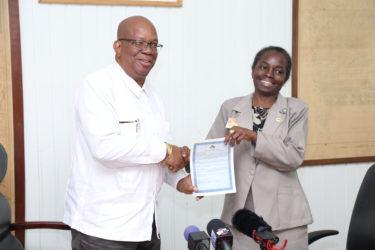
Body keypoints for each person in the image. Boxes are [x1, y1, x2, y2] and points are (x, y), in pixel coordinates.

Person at [63, 16, 197, 250]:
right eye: (139, 43)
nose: (148, 51)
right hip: (103, 231)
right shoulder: (96, 85)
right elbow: (104, 147)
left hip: (146, 226)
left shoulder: (153, 97)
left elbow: (156, 157)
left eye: (154, 45)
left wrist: (180, 181)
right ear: (118, 47)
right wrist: (168, 151)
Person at [206, 46, 313, 250]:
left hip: (285, 222)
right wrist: (201, 181)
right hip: (240, 219)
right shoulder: (230, 107)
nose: (269, 75)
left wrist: (254, 136)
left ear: (285, 78)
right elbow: (212, 151)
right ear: (253, 69)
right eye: (264, 67)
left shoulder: (297, 110)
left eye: (278, 71)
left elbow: (293, 156)